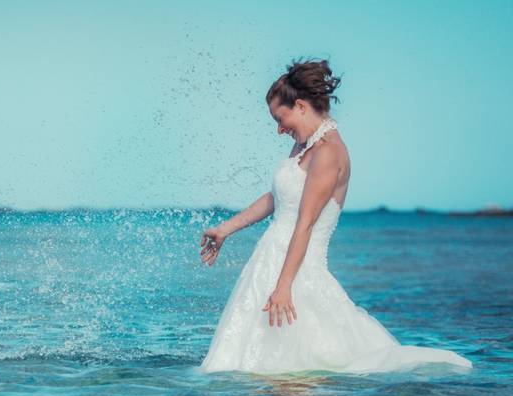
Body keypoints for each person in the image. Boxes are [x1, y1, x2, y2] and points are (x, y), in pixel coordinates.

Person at [198, 60, 471, 374]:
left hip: (296, 269)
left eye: (280, 118)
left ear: (300, 106)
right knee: (256, 369)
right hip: (270, 262)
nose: (279, 129)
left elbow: (305, 223)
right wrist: (225, 229)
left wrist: (284, 284)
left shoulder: (328, 152)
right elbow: (278, 198)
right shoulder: (304, 147)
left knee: (298, 368)